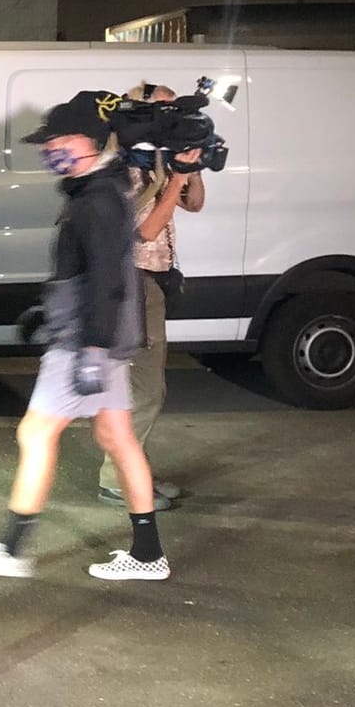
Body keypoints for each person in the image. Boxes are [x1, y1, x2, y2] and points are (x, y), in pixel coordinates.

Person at [0, 90, 170, 582]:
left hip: (85, 343)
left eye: (57, 139)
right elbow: (89, 274)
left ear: (88, 140)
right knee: (117, 437)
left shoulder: (98, 201)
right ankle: (148, 553)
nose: (49, 150)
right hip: (96, 338)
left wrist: (90, 349)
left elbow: (110, 279)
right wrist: (47, 310)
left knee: (36, 432)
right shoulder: (97, 191)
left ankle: (10, 549)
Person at [100, 82, 206, 512]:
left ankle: (133, 468)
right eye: (162, 111)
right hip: (132, 280)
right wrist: (174, 175)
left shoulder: (157, 159)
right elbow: (143, 229)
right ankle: (118, 478)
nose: (170, 118)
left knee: (144, 385)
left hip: (152, 280)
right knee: (145, 389)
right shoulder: (122, 163)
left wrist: (189, 164)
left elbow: (194, 203)